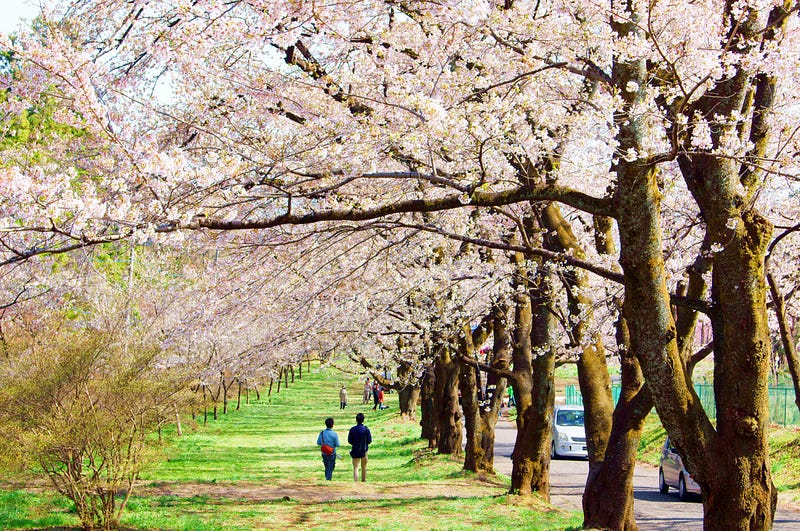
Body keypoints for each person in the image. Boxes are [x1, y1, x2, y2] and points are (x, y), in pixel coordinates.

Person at [348, 412, 372, 482]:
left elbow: (350, 441)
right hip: (364, 450)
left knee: (356, 467)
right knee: (364, 466)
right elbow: (369, 440)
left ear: (356, 420)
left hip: (355, 450)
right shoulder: (366, 430)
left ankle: (356, 481)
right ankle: (363, 480)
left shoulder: (352, 429)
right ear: (363, 420)